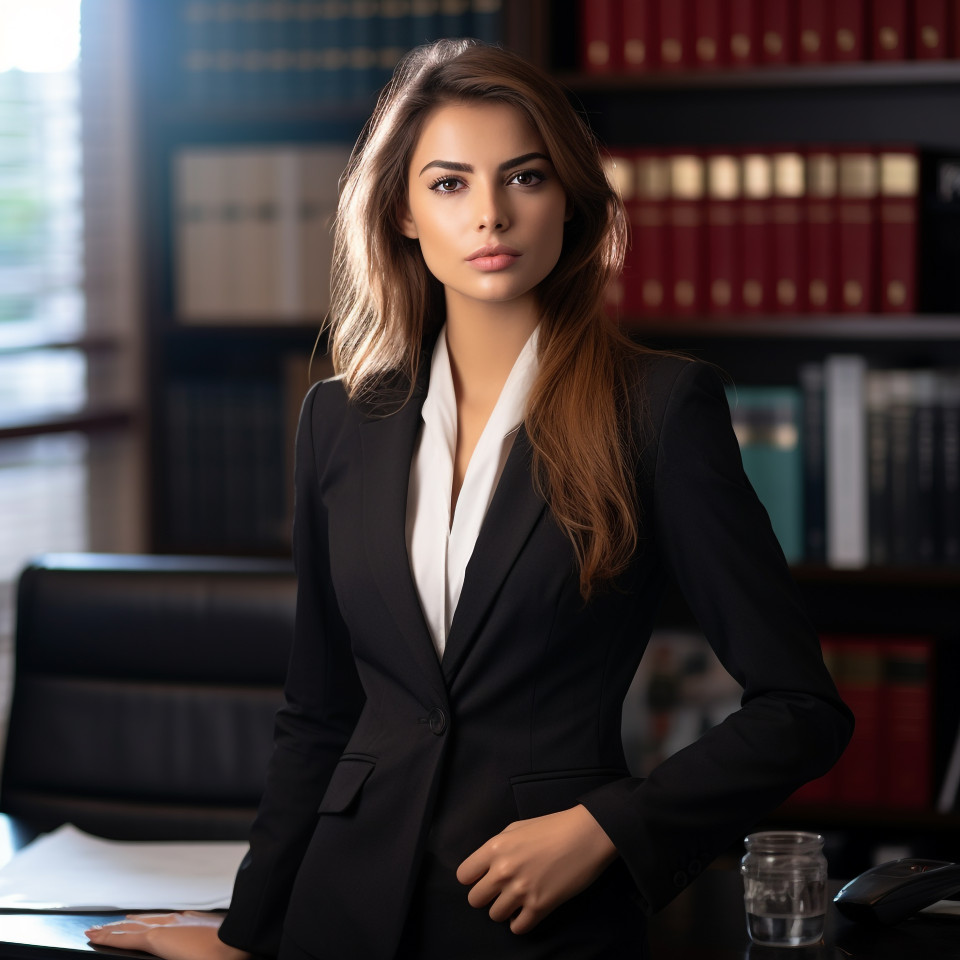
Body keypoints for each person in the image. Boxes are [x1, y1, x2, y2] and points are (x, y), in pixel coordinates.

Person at [85, 38, 853, 960]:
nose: (490, 213)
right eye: (449, 184)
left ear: (568, 197)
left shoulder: (658, 408)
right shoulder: (337, 417)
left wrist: (611, 826)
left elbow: (800, 709)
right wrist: (252, 931)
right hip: (343, 908)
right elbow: (321, 712)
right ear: (403, 212)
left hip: (537, 912)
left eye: (523, 177)